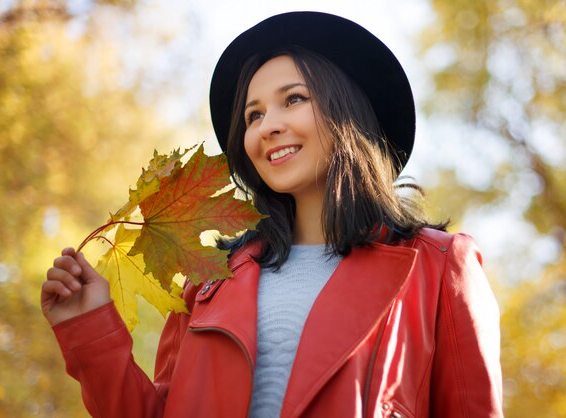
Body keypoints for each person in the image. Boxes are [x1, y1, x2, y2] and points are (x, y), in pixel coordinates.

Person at [41, 11, 504, 418]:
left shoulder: (440, 268)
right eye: (253, 115)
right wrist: (90, 328)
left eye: (294, 99)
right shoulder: (207, 285)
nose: (268, 126)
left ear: (348, 112)